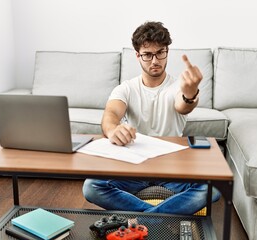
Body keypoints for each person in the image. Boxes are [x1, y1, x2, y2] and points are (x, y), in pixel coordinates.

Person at [82, 21, 220, 215]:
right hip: (134, 167)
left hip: (173, 168)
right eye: (147, 55)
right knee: (91, 187)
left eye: (160, 53)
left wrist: (190, 94)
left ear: (167, 52)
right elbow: (111, 115)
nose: (155, 61)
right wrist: (113, 129)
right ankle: (159, 219)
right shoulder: (127, 88)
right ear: (138, 56)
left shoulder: (178, 87)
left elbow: (183, 105)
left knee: (213, 188)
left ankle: (147, 220)